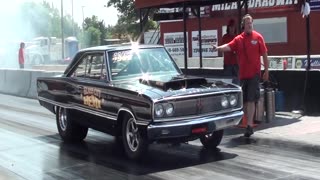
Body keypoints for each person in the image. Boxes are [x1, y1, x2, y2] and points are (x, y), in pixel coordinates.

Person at [212, 14, 269, 137]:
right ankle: (245, 122)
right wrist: (217, 48)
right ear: (243, 25)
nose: (249, 25)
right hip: (243, 75)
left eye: (251, 23)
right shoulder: (238, 39)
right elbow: (228, 46)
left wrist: (267, 71)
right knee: (244, 101)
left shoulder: (258, 37)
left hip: (254, 74)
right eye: (247, 23)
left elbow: (264, 55)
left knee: (251, 100)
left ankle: (249, 125)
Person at [222, 19, 239, 84]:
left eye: (233, 27)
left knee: (237, 83)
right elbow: (224, 48)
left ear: (235, 28)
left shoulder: (237, 37)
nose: (232, 28)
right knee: (226, 83)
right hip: (227, 64)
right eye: (230, 27)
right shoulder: (225, 37)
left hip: (236, 64)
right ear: (228, 28)